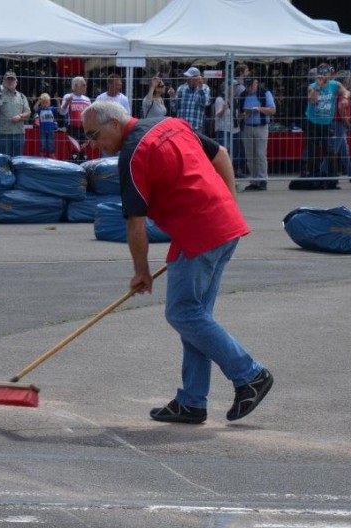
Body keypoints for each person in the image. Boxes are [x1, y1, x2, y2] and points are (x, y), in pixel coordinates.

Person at [81, 100, 272, 425]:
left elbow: (135, 224)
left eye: (94, 135)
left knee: (183, 313)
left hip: (200, 232)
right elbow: (221, 154)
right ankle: (192, 401)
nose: (93, 144)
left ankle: (249, 374)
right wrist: (229, 205)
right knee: (197, 318)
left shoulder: (132, 154)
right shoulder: (171, 124)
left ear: (114, 124)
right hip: (223, 227)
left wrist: (141, 271)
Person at [303, 63, 349, 189]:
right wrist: (318, 86)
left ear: (330, 74)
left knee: (331, 152)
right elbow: (312, 100)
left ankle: (332, 181)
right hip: (313, 122)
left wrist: (344, 98)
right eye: (321, 73)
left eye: (326, 73)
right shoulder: (312, 86)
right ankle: (314, 179)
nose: (323, 76)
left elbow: (346, 91)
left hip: (327, 123)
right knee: (313, 152)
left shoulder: (334, 85)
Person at [239, 75, 276, 191]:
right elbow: (238, 114)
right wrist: (244, 115)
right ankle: (254, 180)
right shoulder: (243, 95)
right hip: (247, 127)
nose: (249, 88)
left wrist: (259, 109)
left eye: (251, 85)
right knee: (250, 155)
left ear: (256, 82)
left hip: (261, 127)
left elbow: (272, 110)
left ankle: (262, 180)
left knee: (260, 154)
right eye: (247, 86)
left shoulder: (265, 93)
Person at [0, 70, 30, 157]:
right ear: (4, 82)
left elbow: (28, 113)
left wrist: (20, 116)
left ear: (16, 82)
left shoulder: (22, 96)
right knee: (3, 162)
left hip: (18, 134)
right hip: (3, 134)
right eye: (8, 80)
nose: (10, 82)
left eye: (12, 80)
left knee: (17, 160)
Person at [173, 66, 210, 133]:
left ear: (197, 79)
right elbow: (175, 108)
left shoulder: (204, 88)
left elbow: (205, 103)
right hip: (181, 127)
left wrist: (200, 88)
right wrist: (172, 97)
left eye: (190, 78)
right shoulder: (181, 88)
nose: (188, 79)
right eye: (187, 77)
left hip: (196, 127)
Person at [59, 76, 91, 143]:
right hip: (72, 128)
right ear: (76, 85)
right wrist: (66, 104)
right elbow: (62, 112)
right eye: (84, 85)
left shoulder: (87, 99)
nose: (86, 86)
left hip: (84, 129)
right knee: (74, 151)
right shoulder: (68, 96)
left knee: (83, 151)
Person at [33, 93, 57, 158]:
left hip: (51, 130)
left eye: (46, 102)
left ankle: (52, 156)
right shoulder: (40, 109)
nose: (45, 104)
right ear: (41, 103)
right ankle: (42, 157)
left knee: (51, 144)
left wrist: (58, 101)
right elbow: (35, 108)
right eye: (43, 103)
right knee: (42, 144)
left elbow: (60, 111)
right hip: (42, 130)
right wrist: (38, 101)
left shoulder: (52, 109)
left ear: (49, 102)